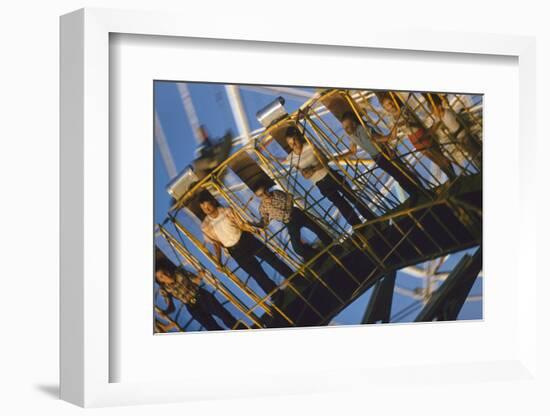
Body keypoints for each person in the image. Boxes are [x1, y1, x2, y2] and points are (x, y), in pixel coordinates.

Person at [199, 193, 294, 297]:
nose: (206, 209)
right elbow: (216, 244)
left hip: (246, 239)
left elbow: (241, 224)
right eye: (203, 208)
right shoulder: (205, 226)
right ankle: (276, 295)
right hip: (235, 250)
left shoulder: (226, 211)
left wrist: (253, 230)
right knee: (256, 273)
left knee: (270, 258)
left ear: (213, 202)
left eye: (208, 206)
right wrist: (218, 261)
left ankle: (294, 277)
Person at [284, 126, 376, 228]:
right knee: (340, 205)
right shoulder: (291, 158)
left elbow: (324, 160)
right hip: (320, 184)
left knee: (351, 195)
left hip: (330, 175)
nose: (294, 145)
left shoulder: (309, 145)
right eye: (291, 144)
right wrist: (310, 171)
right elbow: (304, 174)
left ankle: (371, 218)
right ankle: (358, 226)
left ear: (299, 138)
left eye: (295, 141)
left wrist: (313, 169)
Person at [339, 111, 425, 199]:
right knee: (397, 176)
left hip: (384, 153)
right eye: (344, 128)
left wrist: (388, 138)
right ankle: (413, 193)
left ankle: (421, 190)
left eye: (347, 127)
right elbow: (353, 151)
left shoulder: (364, 129)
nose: (346, 130)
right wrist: (339, 157)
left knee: (403, 171)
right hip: (377, 158)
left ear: (353, 124)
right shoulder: (351, 136)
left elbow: (378, 138)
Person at [378, 92, 457, 181]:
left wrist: (406, 123)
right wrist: (382, 139)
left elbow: (415, 122)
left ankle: (453, 176)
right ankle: (451, 177)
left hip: (420, 134)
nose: (390, 105)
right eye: (387, 105)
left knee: (438, 156)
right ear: (385, 108)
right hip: (413, 139)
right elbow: (393, 135)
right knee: (434, 159)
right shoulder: (392, 118)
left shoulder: (404, 109)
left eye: (390, 102)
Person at [252, 179, 333, 261]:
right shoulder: (263, 207)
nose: (265, 194)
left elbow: (289, 199)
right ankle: (316, 256)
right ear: (259, 196)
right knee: (297, 247)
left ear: (266, 189)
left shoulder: (276, 193)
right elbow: (264, 220)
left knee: (317, 229)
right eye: (261, 194)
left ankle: (332, 246)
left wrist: (287, 212)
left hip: (296, 214)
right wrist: (257, 225)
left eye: (265, 191)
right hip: (289, 222)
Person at [155, 257, 238, 331]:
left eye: (164, 272)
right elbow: (171, 307)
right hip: (193, 308)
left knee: (225, 316)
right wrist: (165, 312)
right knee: (212, 328)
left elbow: (196, 280)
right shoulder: (165, 290)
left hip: (202, 297)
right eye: (161, 277)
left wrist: (200, 275)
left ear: (167, 270)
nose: (165, 276)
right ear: (160, 281)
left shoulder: (179, 273)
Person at [424, 93, 481, 169]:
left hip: (464, 137)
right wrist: (427, 134)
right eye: (432, 111)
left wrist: (429, 133)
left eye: (434, 110)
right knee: (473, 154)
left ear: (440, 107)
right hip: (460, 138)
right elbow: (434, 126)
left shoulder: (447, 113)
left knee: (476, 153)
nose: (434, 113)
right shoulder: (441, 116)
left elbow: (436, 125)